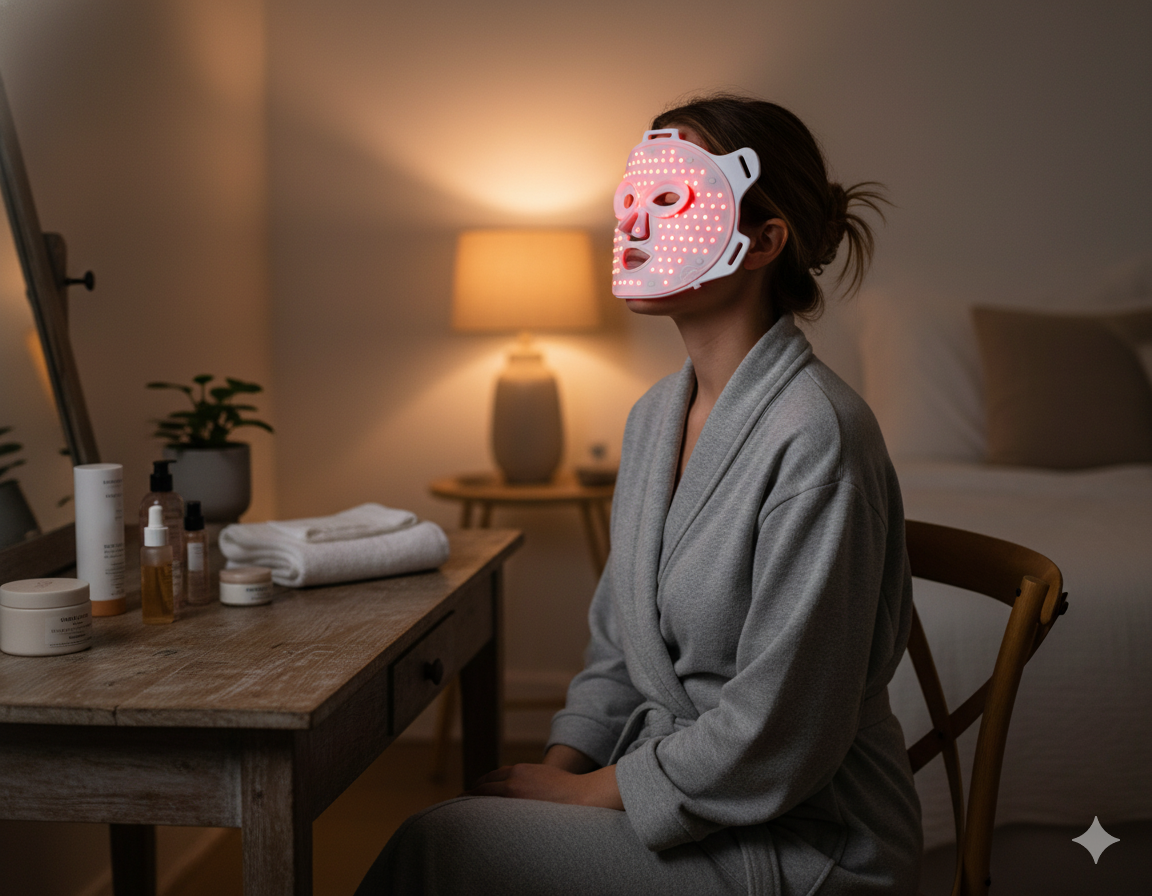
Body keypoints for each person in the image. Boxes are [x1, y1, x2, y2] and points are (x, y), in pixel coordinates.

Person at [355, 94, 921, 896]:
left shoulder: (819, 437)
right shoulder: (656, 417)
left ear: (762, 240)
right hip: (676, 794)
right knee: (474, 831)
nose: (632, 224)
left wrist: (590, 794)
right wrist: (558, 774)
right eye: (630, 199)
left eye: (669, 200)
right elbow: (621, 647)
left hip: (805, 836)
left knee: (436, 848)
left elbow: (788, 727)